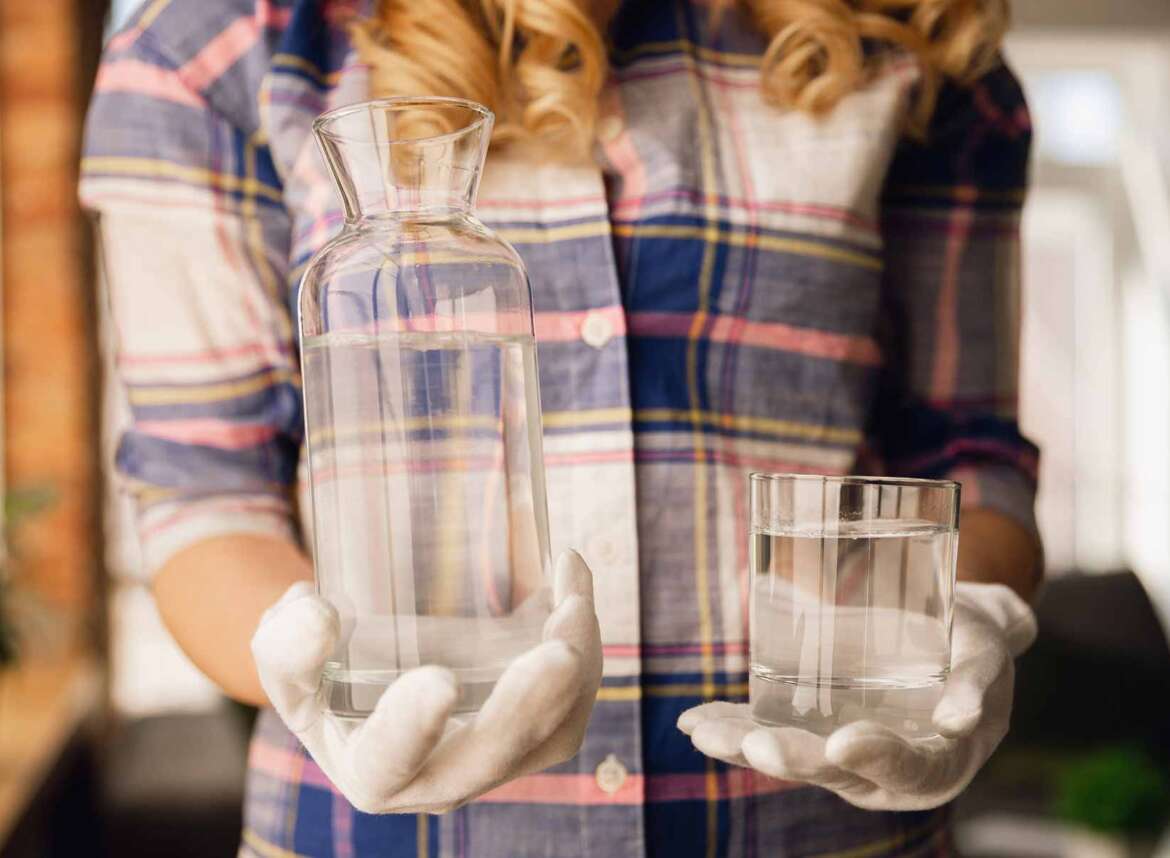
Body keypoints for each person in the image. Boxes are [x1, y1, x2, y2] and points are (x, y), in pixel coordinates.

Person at [81, 0, 1042, 854]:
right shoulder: (214, 45)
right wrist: (326, 679)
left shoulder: (917, 37)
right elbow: (203, 498)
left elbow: (968, 459)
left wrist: (958, 628)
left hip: (821, 825)